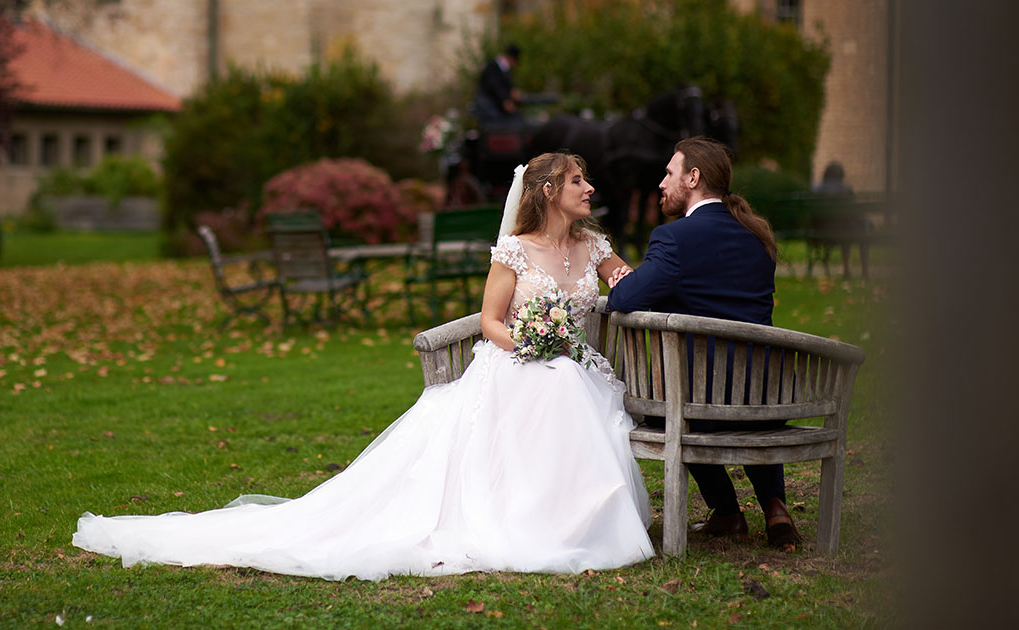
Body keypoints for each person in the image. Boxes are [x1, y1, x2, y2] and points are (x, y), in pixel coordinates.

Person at [73, 152, 654, 579]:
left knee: (568, 389)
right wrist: (529, 348)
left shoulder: (595, 246)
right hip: (516, 362)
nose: (591, 187)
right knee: (550, 388)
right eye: (580, 180)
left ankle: (574, 520)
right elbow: (490, 322)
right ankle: (535, 521)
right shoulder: (514, 250)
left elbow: (631, 284)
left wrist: (631, 291)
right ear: (550, 189)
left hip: (573, 362)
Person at [606, 136, 801, 548]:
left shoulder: (674, 239)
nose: (661, 183)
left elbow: (623, 300)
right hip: (764, 401)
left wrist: (631, 282)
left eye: (669, 173)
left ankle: (728, 510)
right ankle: (775, 508)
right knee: (732, 391)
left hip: (700, 403)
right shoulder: (756, 238)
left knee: (675, 406)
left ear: (693, 178)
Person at [471, 44, 521, 123]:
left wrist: (510, 92)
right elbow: (494, 86)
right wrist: (505, 100)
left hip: (493, 105)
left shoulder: (500, 68)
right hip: (489, 106)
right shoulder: (493, 67)